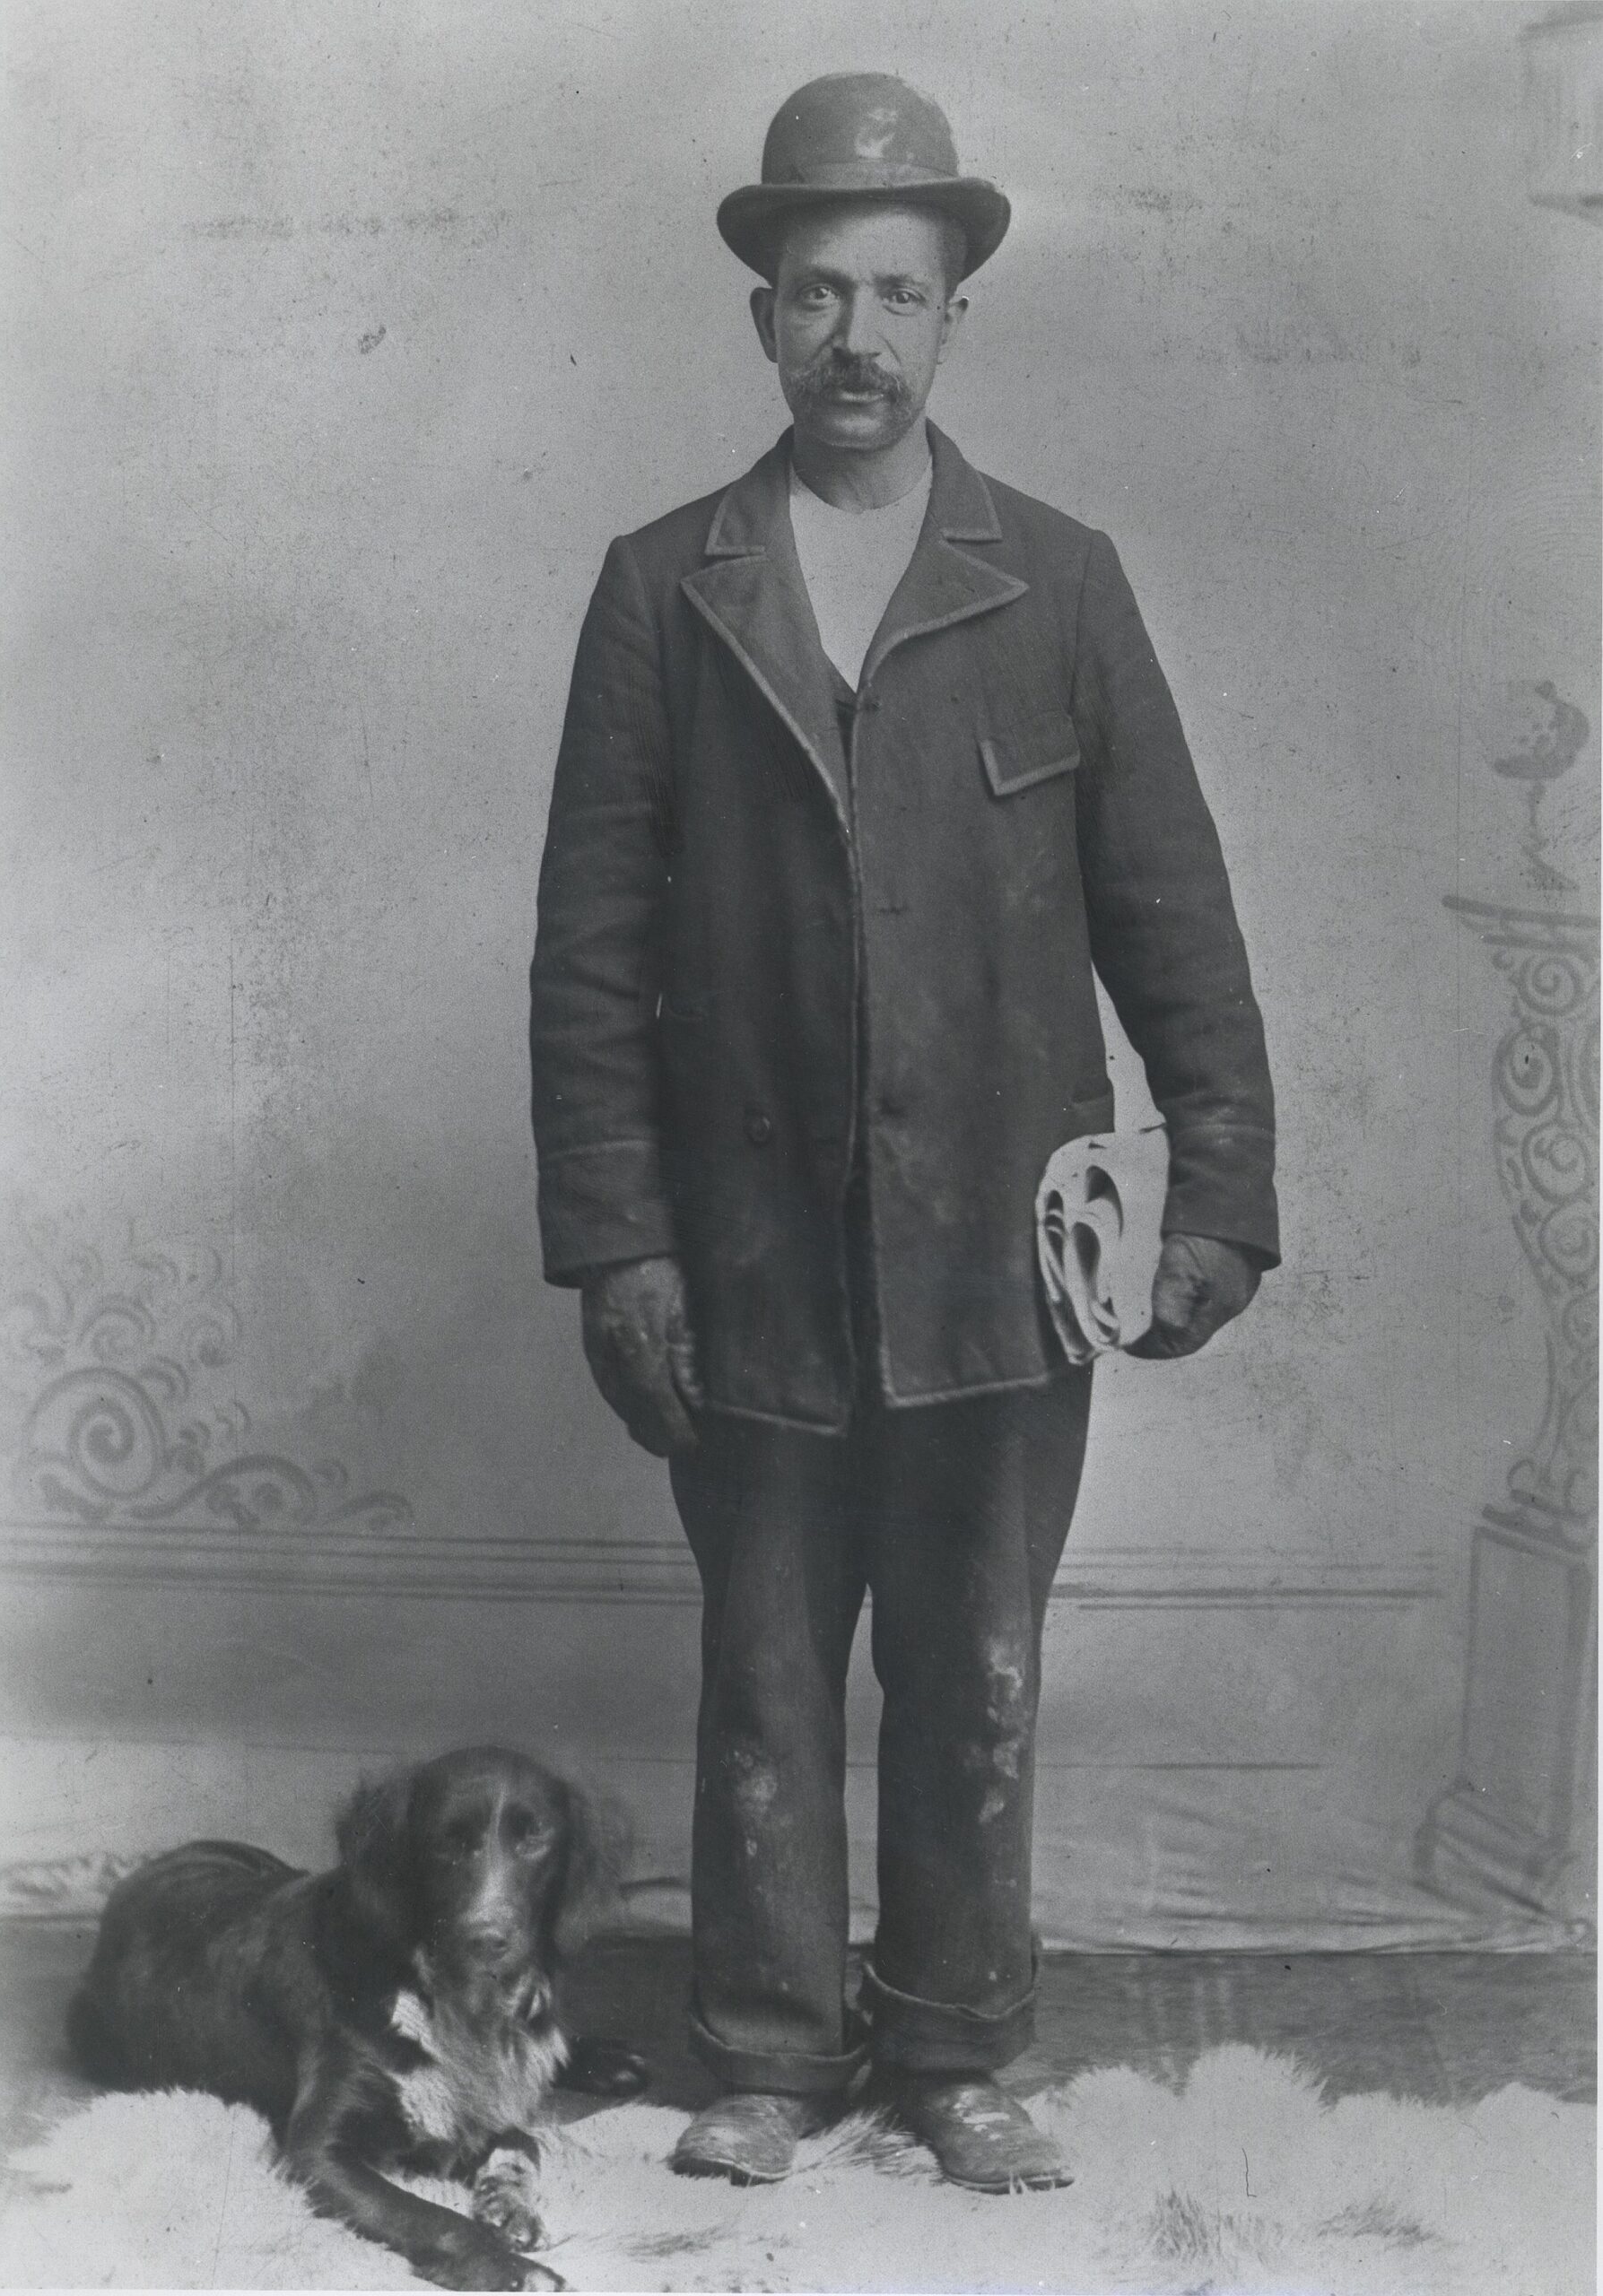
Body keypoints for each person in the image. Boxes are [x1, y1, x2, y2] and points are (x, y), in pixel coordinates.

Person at [529, 73, 1278, 2192]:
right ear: (759, 317)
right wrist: (621, 1243)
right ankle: (765, 2044)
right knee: (764, 1671)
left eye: (893, 293)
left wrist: (1219, 1192)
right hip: (749, 1252)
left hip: (1002, 1256)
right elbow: (587, 950)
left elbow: (1170, 913)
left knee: (975, 1667)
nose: (852, 335)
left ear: (954, 315)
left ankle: (955, 2046)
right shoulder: (662, 589)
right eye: (812, 294)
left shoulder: (1059, 582)